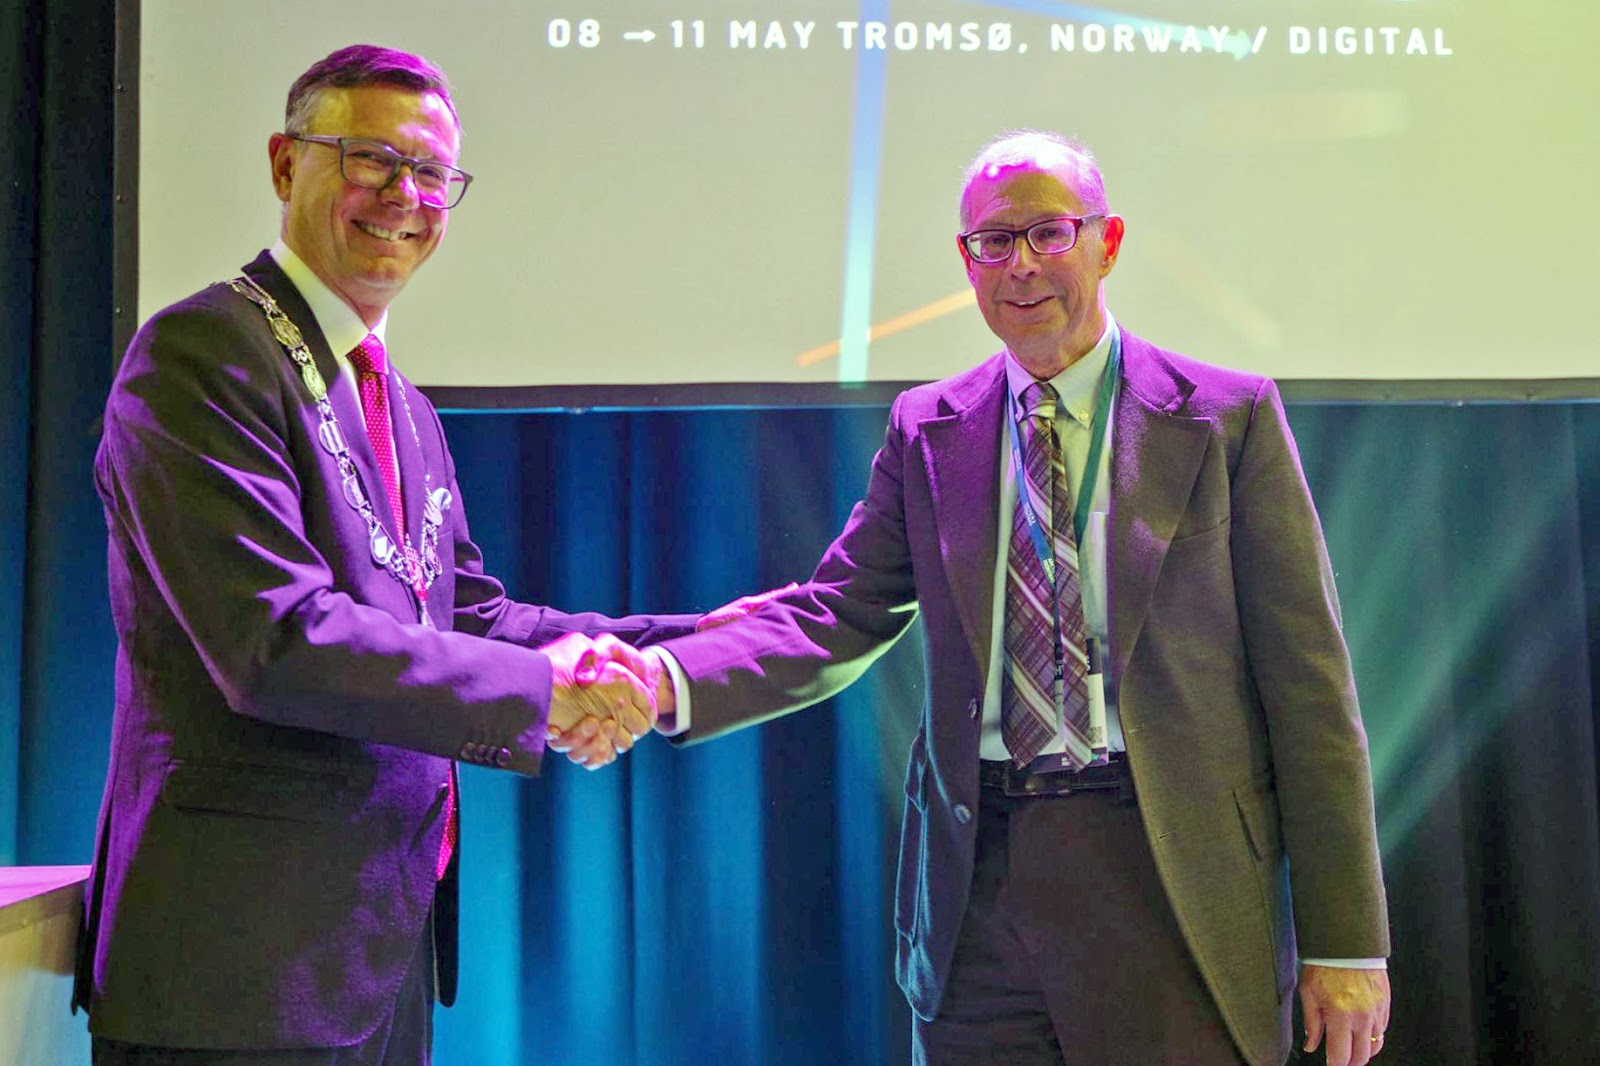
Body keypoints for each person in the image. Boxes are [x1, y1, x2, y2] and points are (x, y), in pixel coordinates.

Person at [624, 131, 1393, 1066]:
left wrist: (1348, 941)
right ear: (967, 262)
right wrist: (661, 678)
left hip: (1169, 874)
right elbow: (836, 613)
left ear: (1107, 242)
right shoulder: (927, 428)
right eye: (994, 242)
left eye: (1048, 233)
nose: (1021, 264)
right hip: (978, 889)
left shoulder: (1226, 417)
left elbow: (1311, 694)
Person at [73, 44, 689, 1064]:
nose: (405, 195)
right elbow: (277, 641)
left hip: (371, 953)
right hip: (233, 967)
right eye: (371, 159)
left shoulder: (401, 403)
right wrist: (547, 690)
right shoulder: (203, 354)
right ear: (286, 165)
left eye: (432, 173)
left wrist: (691, 645)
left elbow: (469, 616)